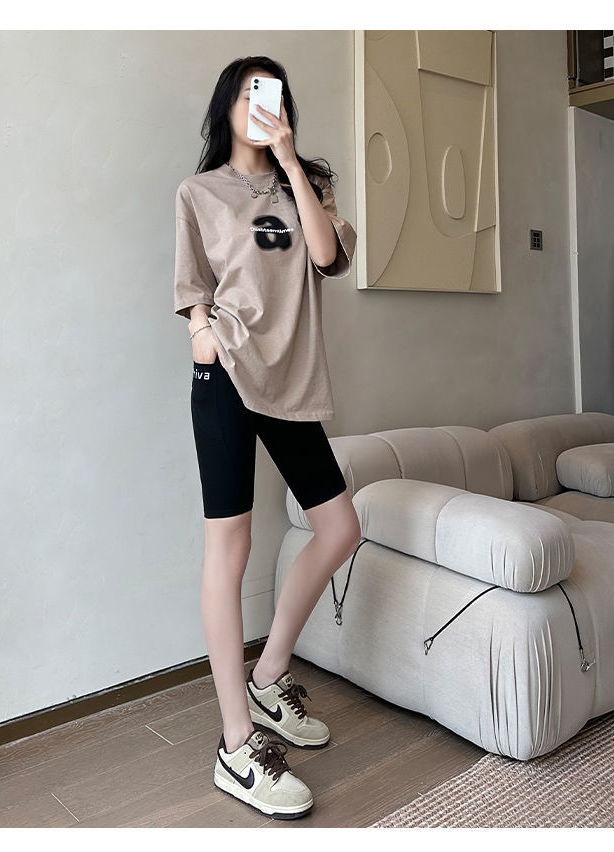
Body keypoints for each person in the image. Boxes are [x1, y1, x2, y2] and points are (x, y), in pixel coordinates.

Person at [173, 56, 362, 820]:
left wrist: (287, 158)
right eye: (248, 92)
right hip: (226, 378)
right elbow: (192, 286)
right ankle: (236, 743)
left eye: (271, 93)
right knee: (231, 547)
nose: (260, 104)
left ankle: (268, 674)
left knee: (340, 527)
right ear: (226, 104)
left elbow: (327, 256)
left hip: (292, 381)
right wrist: (200, 332)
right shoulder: (199, 192)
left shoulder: (307, 181)